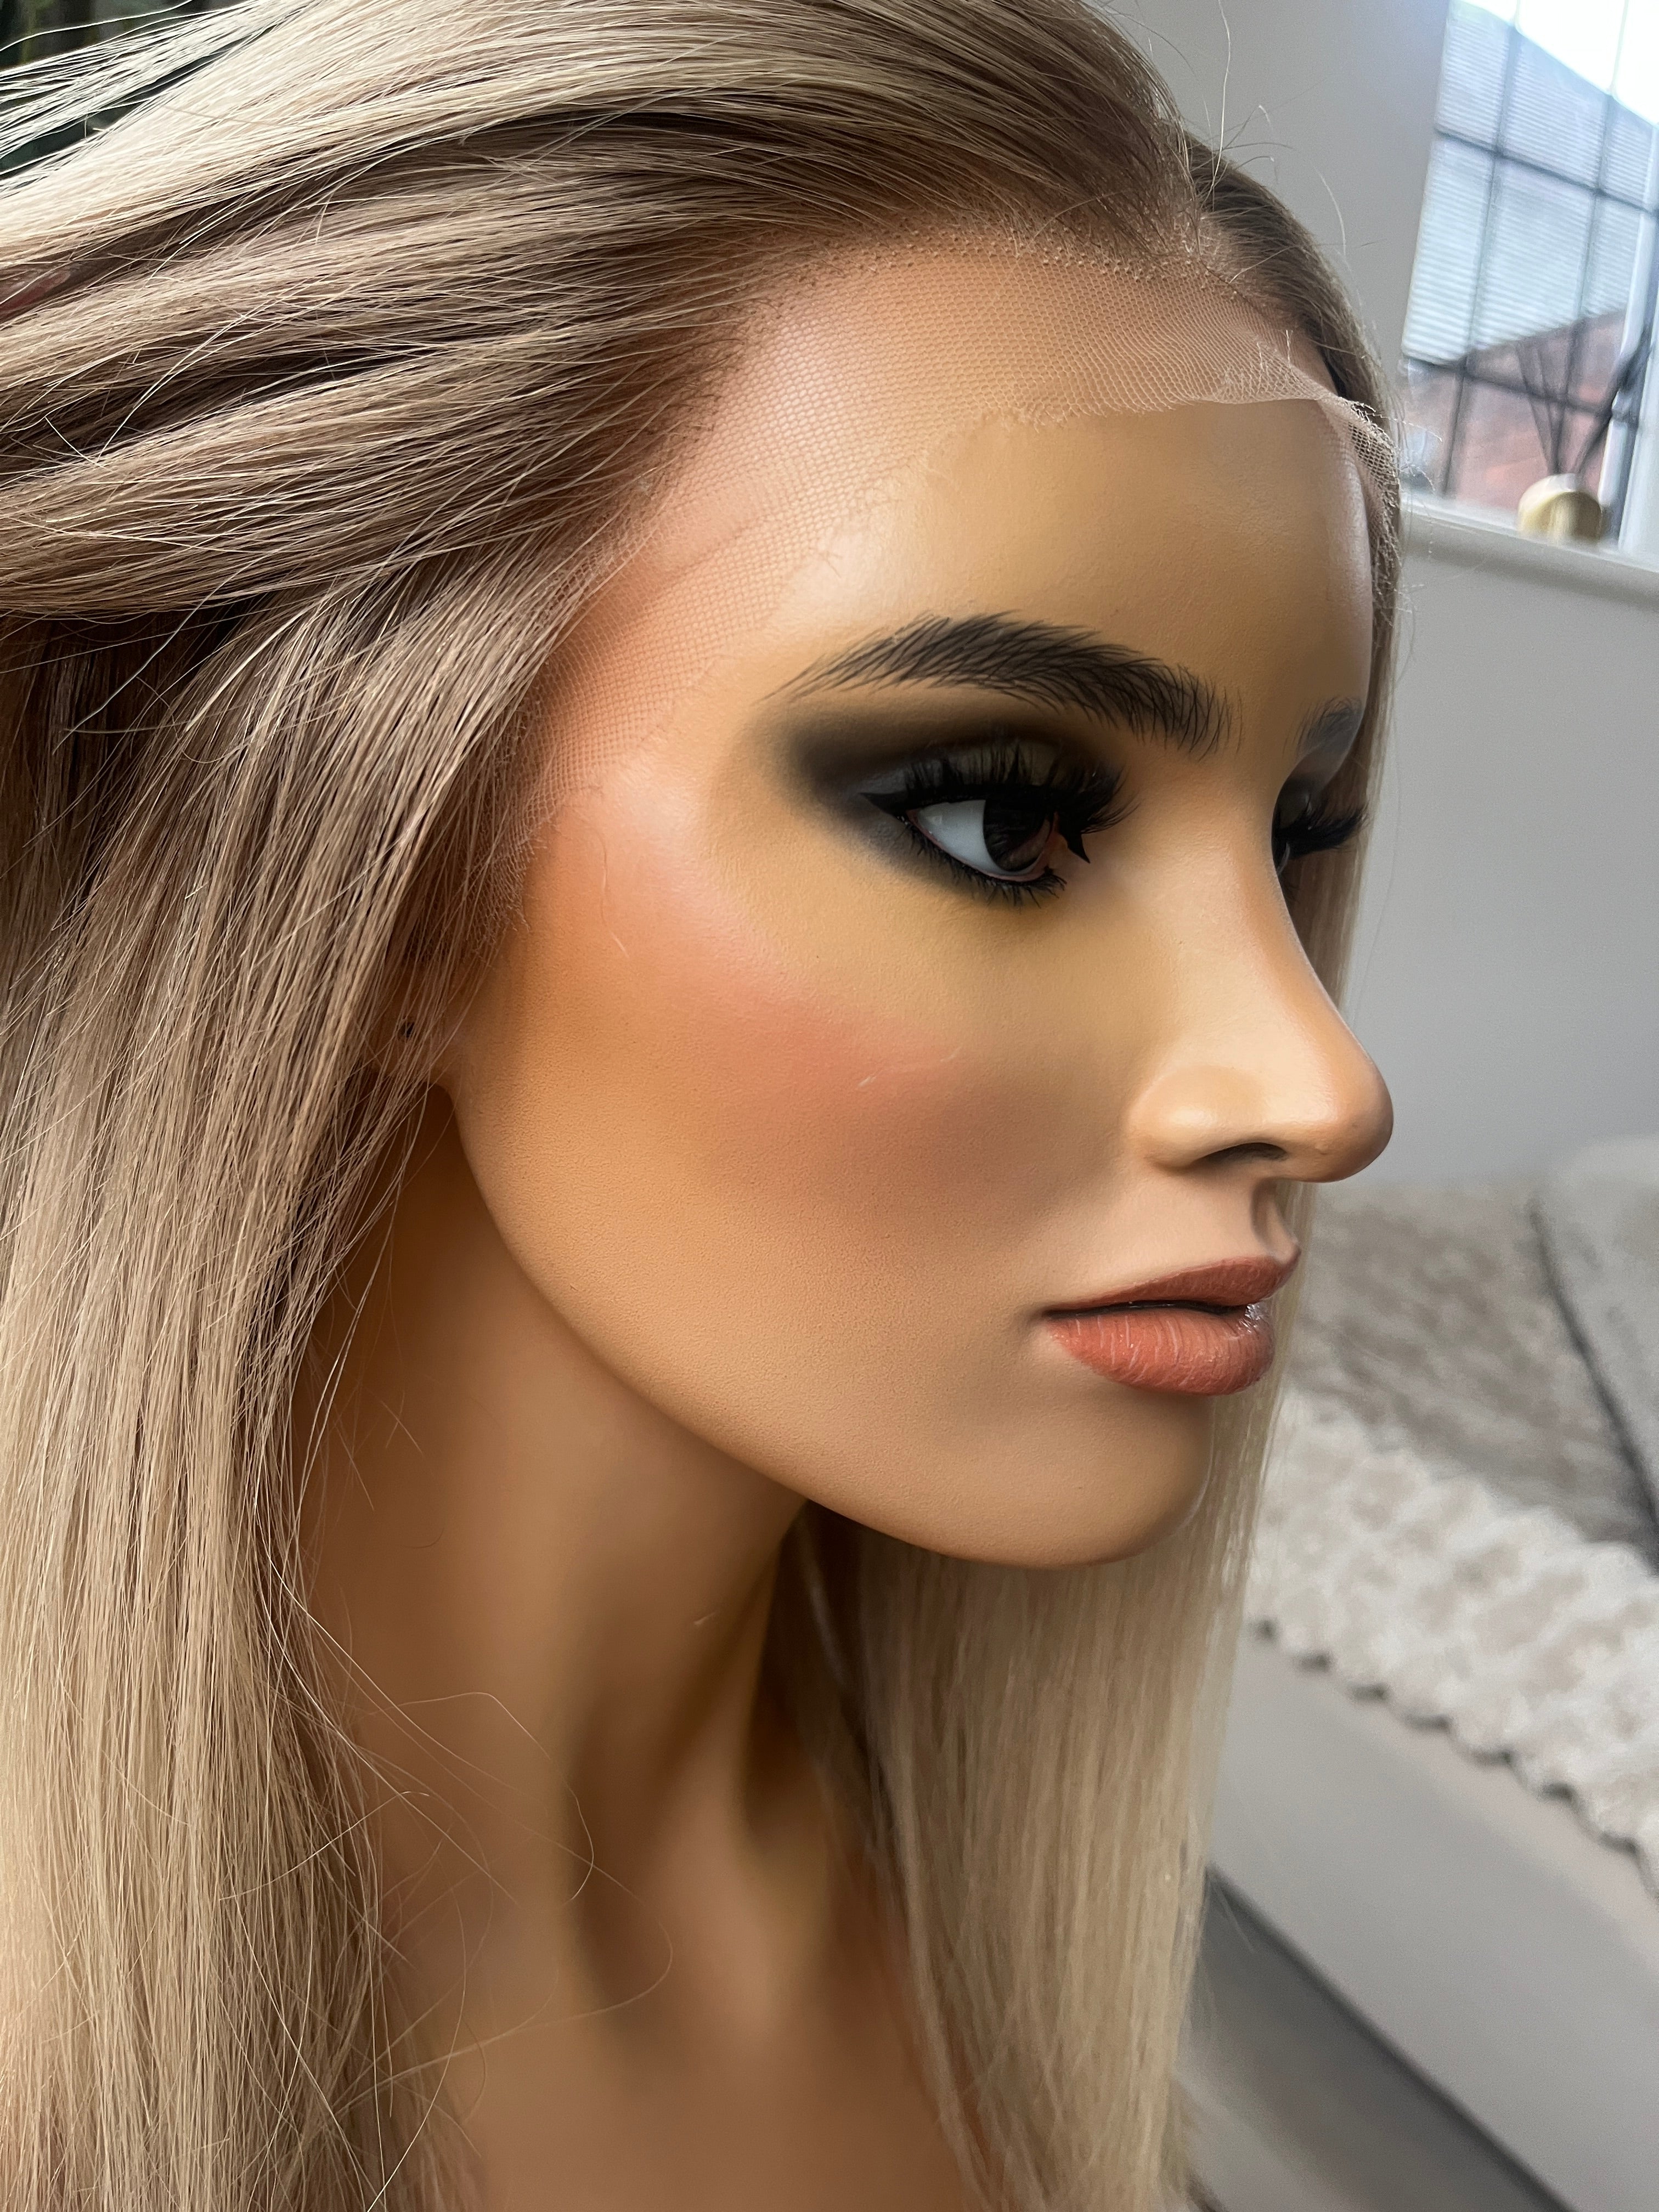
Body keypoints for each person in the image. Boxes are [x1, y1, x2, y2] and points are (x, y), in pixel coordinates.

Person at [0, 3, 1395, 2205]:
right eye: (1000, 818)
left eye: (1303, 827)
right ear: (377, 871)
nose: (1322, 1082)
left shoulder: (986, 1944)